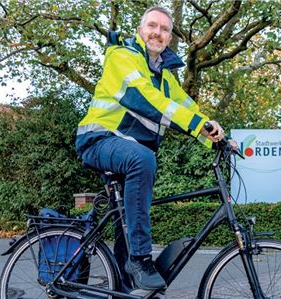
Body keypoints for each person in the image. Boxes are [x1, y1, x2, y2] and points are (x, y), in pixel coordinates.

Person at [76, 6, 225, 292]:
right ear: (140, 30)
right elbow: (145, 99)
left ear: (170, 38)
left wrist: (215, 135)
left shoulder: (165, 77)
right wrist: (197, 125)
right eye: (152, 26)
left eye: (165, 29)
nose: (157, 32)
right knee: (142, 160)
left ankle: (126, 289)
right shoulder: (122, 57)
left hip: (125, 150)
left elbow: (184, 107)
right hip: (98, 139)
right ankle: (141, 259)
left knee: (125, 226)